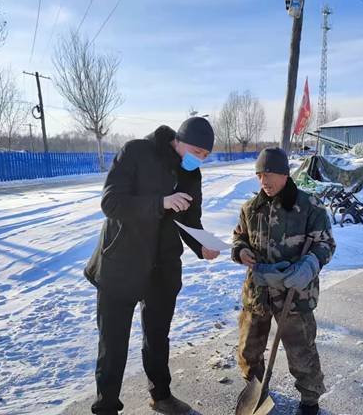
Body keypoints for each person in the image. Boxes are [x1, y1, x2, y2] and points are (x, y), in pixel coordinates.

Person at [84, 117, 220, 415]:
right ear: (178, 140)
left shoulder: (191, 175)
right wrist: (161, 202)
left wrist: (202, 245)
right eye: (197, 151)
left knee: (158, 336)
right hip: (122, 263)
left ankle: (161, 395)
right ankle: (106, 407)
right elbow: (111, 203)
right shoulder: (136, 152)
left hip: (163, 267)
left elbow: (189, 219)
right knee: (113, 343)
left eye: (205, 156)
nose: (199, 159)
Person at [231, 147, 335, 415]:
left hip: (294, 294)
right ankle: (256, 388)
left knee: (301, 352)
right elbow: (239, 236)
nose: (264, 181)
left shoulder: (309, 206)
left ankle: (310, 400)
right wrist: (240, 251)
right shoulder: (250, 208)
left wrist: (310, 265)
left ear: (285, 174)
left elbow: (325, 243)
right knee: (248, 350)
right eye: (259, 175)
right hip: (258, 291)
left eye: (269, 174)